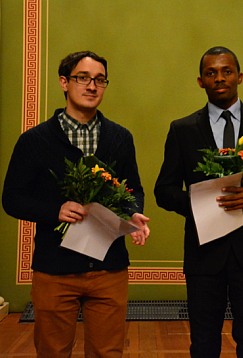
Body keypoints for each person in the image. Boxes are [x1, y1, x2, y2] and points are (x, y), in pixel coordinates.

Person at [2, 51, 150, 357]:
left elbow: (133, 188)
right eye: (83, 78)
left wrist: (133, 212)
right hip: (55, 269)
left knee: (108, 352)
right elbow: (12, 199)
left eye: (99, 80)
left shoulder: (121, 137)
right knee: (53, 351)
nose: (92, 86)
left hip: (109, 268)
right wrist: (54, 211)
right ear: (64, 83)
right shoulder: (34, 140)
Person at [154, 46, 243, 358]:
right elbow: (163, 191)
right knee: (203, 343)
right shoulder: (183, 130)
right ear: (200, 81)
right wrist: (199, 203)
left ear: (239, 77)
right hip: (204, 254)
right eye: (211, 73)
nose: (219, 78)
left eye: (226, 71)